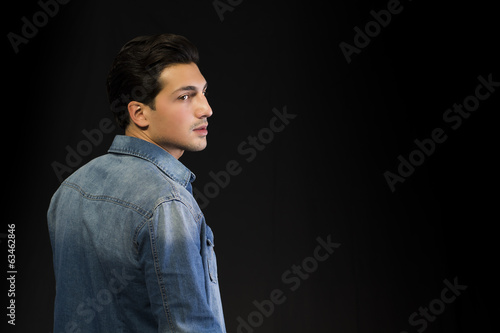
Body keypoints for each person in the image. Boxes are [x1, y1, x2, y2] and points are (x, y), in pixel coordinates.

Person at [47, 33, 226, 332]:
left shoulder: (70, 189)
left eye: (203, 92)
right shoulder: (166, 204)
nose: (205, 108)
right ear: (139, 113)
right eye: (185, 96)